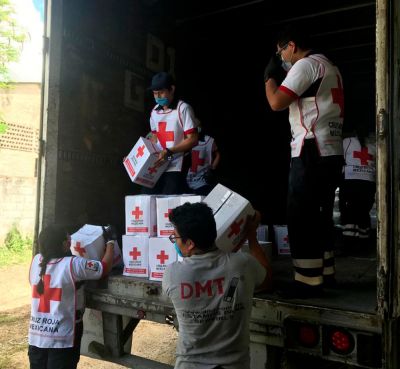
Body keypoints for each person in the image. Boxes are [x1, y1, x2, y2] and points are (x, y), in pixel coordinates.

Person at [264, 26, 344, 297]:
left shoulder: (306, 65)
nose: (280, 56)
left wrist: (268, 78)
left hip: (311, 148)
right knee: (321, 215)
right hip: (330, 150)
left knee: (301, 215)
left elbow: (276, 102)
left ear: (292, 45)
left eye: (280, 50)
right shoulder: (329, 66)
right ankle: (325, 273)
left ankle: (307, 283)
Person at [162, 202, 271, 369]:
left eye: (175, 237)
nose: (174, 242)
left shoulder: (172, 274)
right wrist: (251, 235)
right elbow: (267, 278)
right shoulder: (243, 265)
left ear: (190, 243)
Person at [28, 224, 115, 369]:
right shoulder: (73, 265)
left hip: (37, 338)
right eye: (69, 237)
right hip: (63, 339)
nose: (71, 240)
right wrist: (111, 242)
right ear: (64, 244)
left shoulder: (36, 261)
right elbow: (104, 268)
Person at [144, 71, 199, 195]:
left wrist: (169, 151)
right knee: (148, 196)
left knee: (169, 200)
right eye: (155, 93)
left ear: (172, 89)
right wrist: (137, 158)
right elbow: (154, 137)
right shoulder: (154, 112)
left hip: (176, 162)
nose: (158, 97)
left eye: (161, 92)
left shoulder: (183, 109)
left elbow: (193, 139)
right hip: (159, 163)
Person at [339, 122, 376, 254]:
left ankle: (348, 245)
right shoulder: (373, 146)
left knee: (348, 213)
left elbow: (341, 160)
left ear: (354, 131)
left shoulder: (347, 141)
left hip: (350, 181)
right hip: (368, 183)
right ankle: (364, 245)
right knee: (363, 212)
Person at [186, 119, 221, 196]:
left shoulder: (208, 140)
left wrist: (213, 167)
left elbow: (217, 153)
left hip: (202, 179)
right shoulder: (186, 140)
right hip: (187, 178)